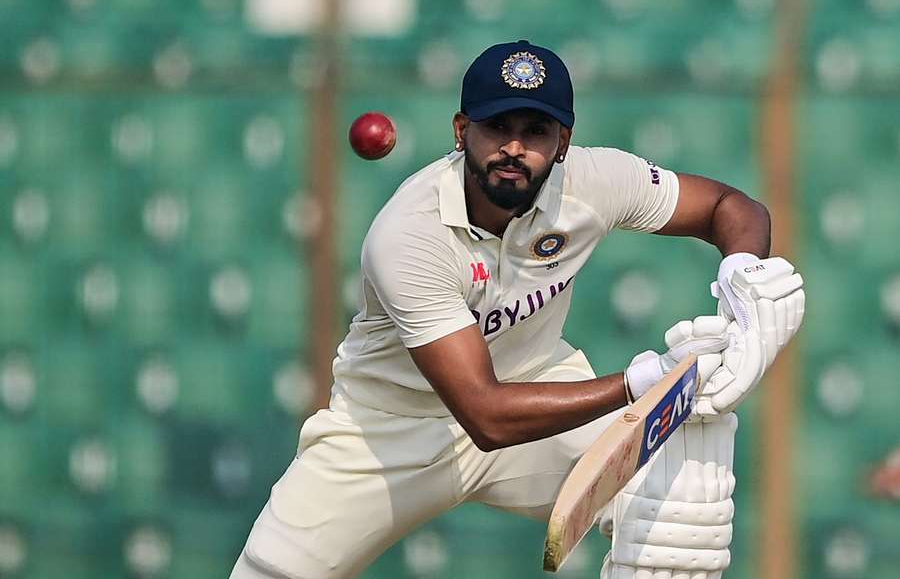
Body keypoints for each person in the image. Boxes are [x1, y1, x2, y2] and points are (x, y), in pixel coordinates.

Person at [230, 40, 805, 579]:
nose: (513, 147)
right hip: (386, 431)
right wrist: (644, 382)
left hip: (536, 390)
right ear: (462, 131)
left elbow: (730, 207)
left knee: (675, 492)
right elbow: (487, 416)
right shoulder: (410, 233)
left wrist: (742, 271)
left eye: (535, 130)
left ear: (563, 141)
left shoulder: (594, 181)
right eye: (495, 127)